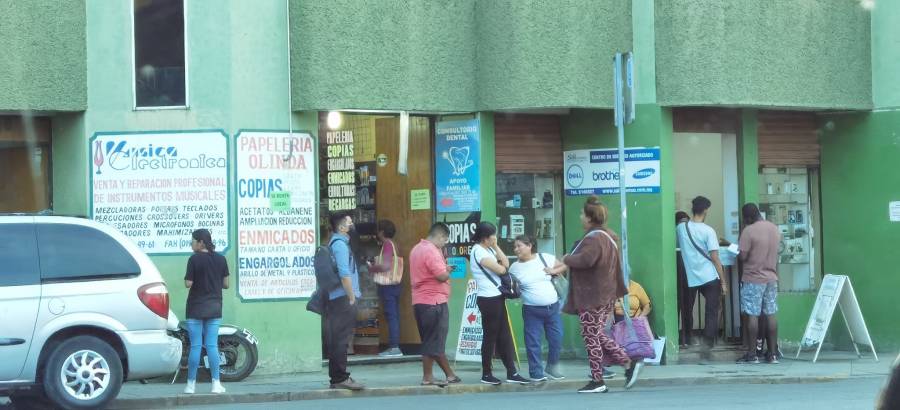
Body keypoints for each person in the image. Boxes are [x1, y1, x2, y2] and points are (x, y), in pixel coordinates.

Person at [546, 196, 642, 393]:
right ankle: (613, 370)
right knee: (593, 334)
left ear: (590, 218)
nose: (580, 216)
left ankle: (613, 371)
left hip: (592, 296)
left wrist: (567, 258)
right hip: (603, 294)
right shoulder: (606, 237)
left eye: (582, 214)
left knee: (592, 336)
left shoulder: (594, 238)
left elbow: (586, 260)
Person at [470, 221, 530, 385]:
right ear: (485, 237)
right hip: (488, 299)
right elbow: (501, 270)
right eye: (493, 236)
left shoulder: (488, 249)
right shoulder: (478, 252)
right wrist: (501, 264)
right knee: (490, 336)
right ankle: (486, 373)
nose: (495, 238)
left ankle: (511, 372)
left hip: (497, 297)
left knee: (504, 336)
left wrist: (496, 247)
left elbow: (506, 263)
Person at [408, 223, 461, 386]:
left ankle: (436, 376)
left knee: (430, 340)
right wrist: (448, 271)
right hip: (434, 302)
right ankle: (437, 376)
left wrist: (444, 267)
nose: (444, 243)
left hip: (420, 302)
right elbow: (441, 277)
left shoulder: (417, 248)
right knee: (434, 341)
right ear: (440, 236)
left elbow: (427, 271)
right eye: (445, 240)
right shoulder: (431, 251)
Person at [509, 234, 564, 382]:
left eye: (519, 246)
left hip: (553, 308)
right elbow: (512, 286)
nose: (516, 249)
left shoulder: (544, 257)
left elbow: (561, 267)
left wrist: (553, 272)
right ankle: (535, 372)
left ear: (530, 245)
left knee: (557, 339)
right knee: (533, 342)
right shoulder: (514, 267)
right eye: (515, 247)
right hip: (531, 309)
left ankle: (551, 367)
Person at [676, 196, 727, 353]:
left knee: (687, 308)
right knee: (711, 309)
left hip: (689, 276)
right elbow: (715, 258)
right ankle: (708, 342)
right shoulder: (708, 231)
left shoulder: (681, 228)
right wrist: (723, 282)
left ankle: (686, 338)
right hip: (709, 276)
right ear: (705, 210)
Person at [183, 229, 229, 395]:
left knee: (195, 346)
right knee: (212, 346)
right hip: (214, 307)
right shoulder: (221, 259)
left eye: (193, 241)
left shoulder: (193, 259)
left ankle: (190, 385)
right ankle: (216, 384)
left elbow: (188, 283)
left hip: (195, 307)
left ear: (201, 242)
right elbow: (226, 284)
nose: (191, 244)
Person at [736, 203, 782, 364]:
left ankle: (752, 354)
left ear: (747, 217)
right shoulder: (774, 228)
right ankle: (773, 354)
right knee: (771, 314)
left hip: (753, 278)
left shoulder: (748, 231)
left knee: (752, 315)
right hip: (771, 278)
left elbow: (742, 256)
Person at [324, 212, 365, 390]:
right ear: (341, 227)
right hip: (343, 298)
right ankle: (340, 378)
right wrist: (351, 297)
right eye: (349, 222)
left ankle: (338, 377)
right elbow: (344, 273)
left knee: (339, 338)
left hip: (340, 298)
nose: (352, 224)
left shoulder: (339, 243)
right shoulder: (340, 245)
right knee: (341, 339)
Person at [367, 219, 403, 357]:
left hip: (388, 286)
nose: (377, 233)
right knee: (394, 315)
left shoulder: (387, 244)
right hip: (395, 285)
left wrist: (372, 268)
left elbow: (386, 266)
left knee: (391, 315)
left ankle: (394, 347)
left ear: (381, 232)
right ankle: (394, 346)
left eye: (378, 230)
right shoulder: (394, 244)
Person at [675, 211, 693, 347]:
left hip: (677, 273)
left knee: (679, 308)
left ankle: (678, 338)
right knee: (688, 308)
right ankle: (688, 339)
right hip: (689, 273)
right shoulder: (691, 230)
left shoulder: (673, 231)